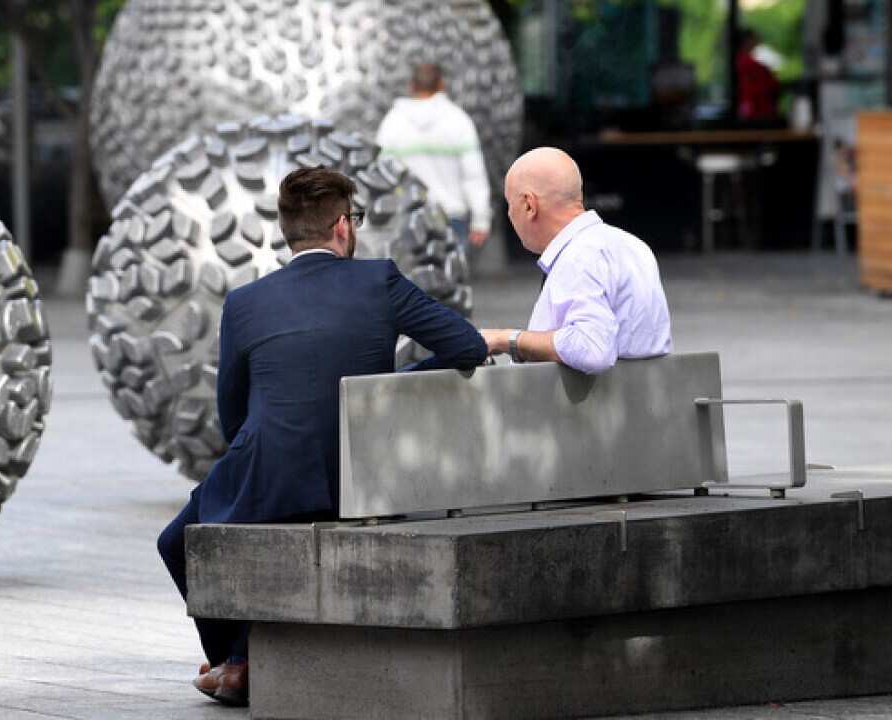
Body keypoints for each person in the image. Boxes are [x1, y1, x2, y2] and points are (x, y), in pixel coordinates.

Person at [157, 167, 488, 706]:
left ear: (287, 231)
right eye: (355, 218)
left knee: (176, 541)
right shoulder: (379, 280)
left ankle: (235, 660)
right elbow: (467, 346)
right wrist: (383, 386)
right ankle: (239, 662)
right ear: (342, 226)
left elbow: (232, 417)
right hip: (356, 478)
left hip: (268, 476)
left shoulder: (245, 302)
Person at [479, 147, 672, 374]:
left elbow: (591, 349)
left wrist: (505, 339)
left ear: (529, 205)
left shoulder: (579, 256)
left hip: (604, 396)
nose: (510, 214)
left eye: (510, 204)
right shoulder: (632, 245)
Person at [376, 63, 491, 250]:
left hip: (405, 218)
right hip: (451, 217)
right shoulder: (458, 120)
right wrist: (481, 220)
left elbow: (381, 174)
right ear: (441, 85)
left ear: (411, 86)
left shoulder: (392, 122)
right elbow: (473, 175)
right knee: (452, 268)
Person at [735, 30, 779, 123]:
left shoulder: (739, 62)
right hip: (758, 114)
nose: (756, 42)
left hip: (750, 113)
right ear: (747, 41)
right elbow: (772, 85)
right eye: (754, 39)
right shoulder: (752, 65)